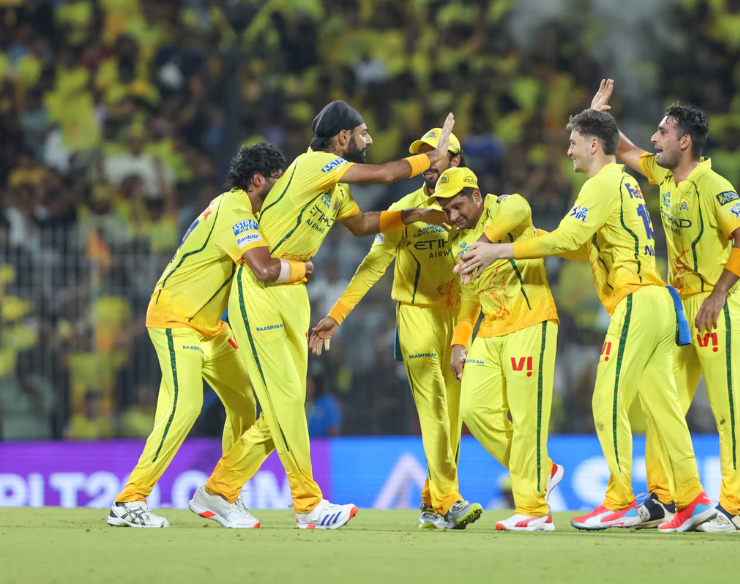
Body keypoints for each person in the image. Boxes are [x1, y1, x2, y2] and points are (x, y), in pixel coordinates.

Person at [455, 108, 717, 533]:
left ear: (594, 145)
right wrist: (533, 238)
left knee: (606, 400)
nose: (569, 150)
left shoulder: (601, 184)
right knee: (663, 408)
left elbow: (570, 238)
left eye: (575, 142)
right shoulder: (625, 183)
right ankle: (693, 498)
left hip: (635, 302)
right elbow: (580, 247)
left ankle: (619, 500)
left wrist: (498, 251)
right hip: (658, 305)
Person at [197, 101, 455, 530]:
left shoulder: (335, 186)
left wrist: (414, 214)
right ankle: (307, 504)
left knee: (290, 404)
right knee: (285, 402)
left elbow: (362, 224)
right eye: (364, 133)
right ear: (342, 138)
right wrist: (433, 157)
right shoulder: (313, 164)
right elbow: (388, 174)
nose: (368, 140)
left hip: (295, 293)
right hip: (260, 289)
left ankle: (219, 490)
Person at [107, 142, 301, 529]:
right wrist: (301, 270)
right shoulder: (235, 209)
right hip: (176, 319)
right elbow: (263, 269)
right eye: (278, 179)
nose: (283, 187)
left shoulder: (240, 208)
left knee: (245, 402)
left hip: (210, 327)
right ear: (258, 179)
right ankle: (129, 501)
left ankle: (224, 494)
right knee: (185, 406)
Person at [600, 80, 740, 532]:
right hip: (681, 309)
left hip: (717, 307)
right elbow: (627, 152)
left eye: (662, 132)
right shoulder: (667, 176)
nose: (654, 139)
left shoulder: (712, 183)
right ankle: (664, 500)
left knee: (727, 407)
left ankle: (733, 508)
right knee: (661, 402)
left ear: (684, 141)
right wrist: (603, 118)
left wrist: (718, 294)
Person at [308, 128, 482, 530]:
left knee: (453, 416)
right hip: (415, 313)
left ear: (455, 162)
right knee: (434, 407)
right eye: (423, 154)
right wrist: (338, 313)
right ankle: (450, 499)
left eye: (436, 154)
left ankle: (429, 502)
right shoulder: (406, 210)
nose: (428, 161)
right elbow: (373, 265)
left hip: (457, 318)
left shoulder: (469, 207)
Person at [428, 167, 564, 531]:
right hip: (489, 331)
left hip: (530, 321)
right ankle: (543, 470)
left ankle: (534, 510)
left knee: (525, 418)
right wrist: (460, 341)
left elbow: (520, 206)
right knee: (473, 410)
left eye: (457, 206)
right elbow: (470, 295)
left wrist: (486, 242)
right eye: (446, 211)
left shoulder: (503, 209)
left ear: (476, 195)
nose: (453, 216)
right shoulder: (457, 241)